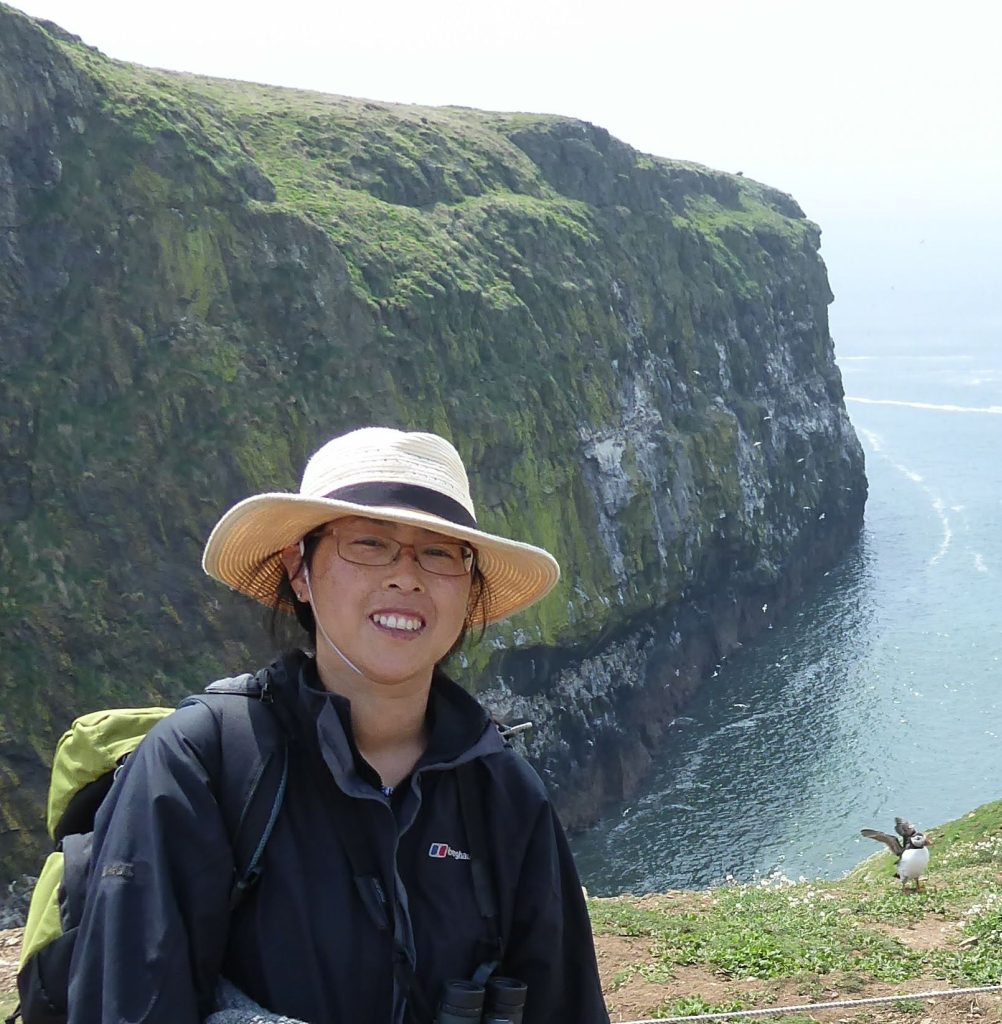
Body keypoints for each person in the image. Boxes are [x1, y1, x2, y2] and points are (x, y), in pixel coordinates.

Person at [68, 426, 610, 1024]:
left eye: (438, 551)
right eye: (370, 543)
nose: (407, 576)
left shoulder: (503, 795)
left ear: (468, 589)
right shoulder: (200, 768)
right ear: (299, 569)